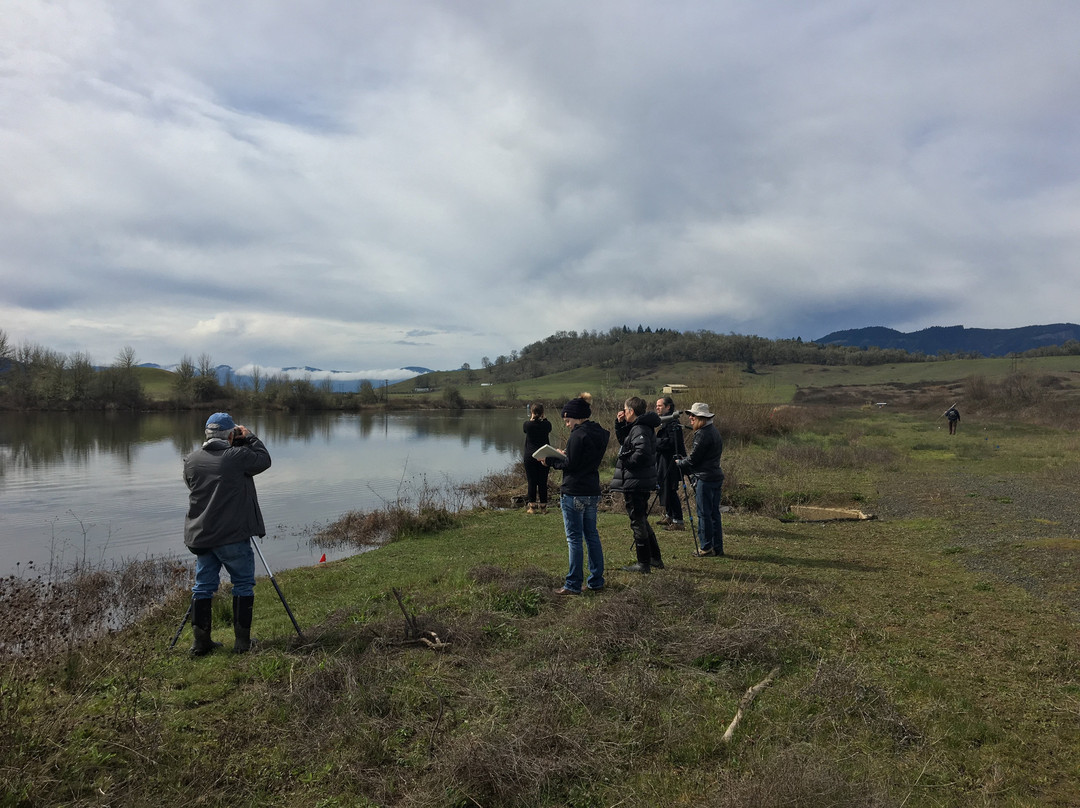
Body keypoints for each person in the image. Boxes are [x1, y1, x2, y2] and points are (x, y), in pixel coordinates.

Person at [183, 412, 272, 656]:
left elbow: (194, 486)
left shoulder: (191, 459)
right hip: (232, 535)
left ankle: (200, 644)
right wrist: (250, 436)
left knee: (202, 587)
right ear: (230, 434)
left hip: (202, 535)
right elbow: (263, 460)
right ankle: (242, 643)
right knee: (243, 584)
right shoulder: (236, 456)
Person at [542, 393, 610, 594]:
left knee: (574, 539)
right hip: (592, 490)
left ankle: (572, 584)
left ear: (577, 417)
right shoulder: (601, 433)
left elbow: (570, 465)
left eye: (568, 420)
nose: (566, 424)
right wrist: (567, 455)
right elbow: (581, 459)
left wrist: (551, 460)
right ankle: (596, 580)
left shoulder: (578, 435)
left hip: (574, 492)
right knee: (592, 535)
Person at [611, 396, 664, 573]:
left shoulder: (640, 427)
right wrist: (619, 424)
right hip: (641, 480)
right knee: (641, 519)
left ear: (631, 411)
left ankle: (643, 563)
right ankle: (654, 558)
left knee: (637, 521)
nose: (623, 412)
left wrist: (626, 461)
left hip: (637, 481)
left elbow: (640, 452)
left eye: (625, 410)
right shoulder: (639, 426)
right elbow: (625, 441)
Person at [676, 402, 725, 557]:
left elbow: (693, 460)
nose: (690, 418)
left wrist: (680, 463)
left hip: (705, 478)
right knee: (714, 514)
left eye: (693, 415)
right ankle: (717, 547)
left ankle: (705, 547)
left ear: (701, 418)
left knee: (704, 514)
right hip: (715, 476)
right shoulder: (714, 431)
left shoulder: (702, 434)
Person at [654, 396, 687, 531]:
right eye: (657, 406)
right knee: (664, 487)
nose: (657, 408)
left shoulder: (673, 423)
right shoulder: (665, 422)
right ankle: (669, 515)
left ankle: (678, 521)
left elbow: (673, 442)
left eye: (660, 405)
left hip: (670, 461)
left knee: (671, 489)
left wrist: (655, 442)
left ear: (668, 407)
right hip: (663, 460)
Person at [522, 403, 553, 514]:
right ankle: (543, 507)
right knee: (542, 481)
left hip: (530, 456)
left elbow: (526, 427)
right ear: (542, 413)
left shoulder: (527, 425)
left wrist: (532, 418)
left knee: (532, 481)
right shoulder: (547, 425)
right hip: (544, 455)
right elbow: (548, 426)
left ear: (531, 412)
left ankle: (532, 507)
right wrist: (544, 418)